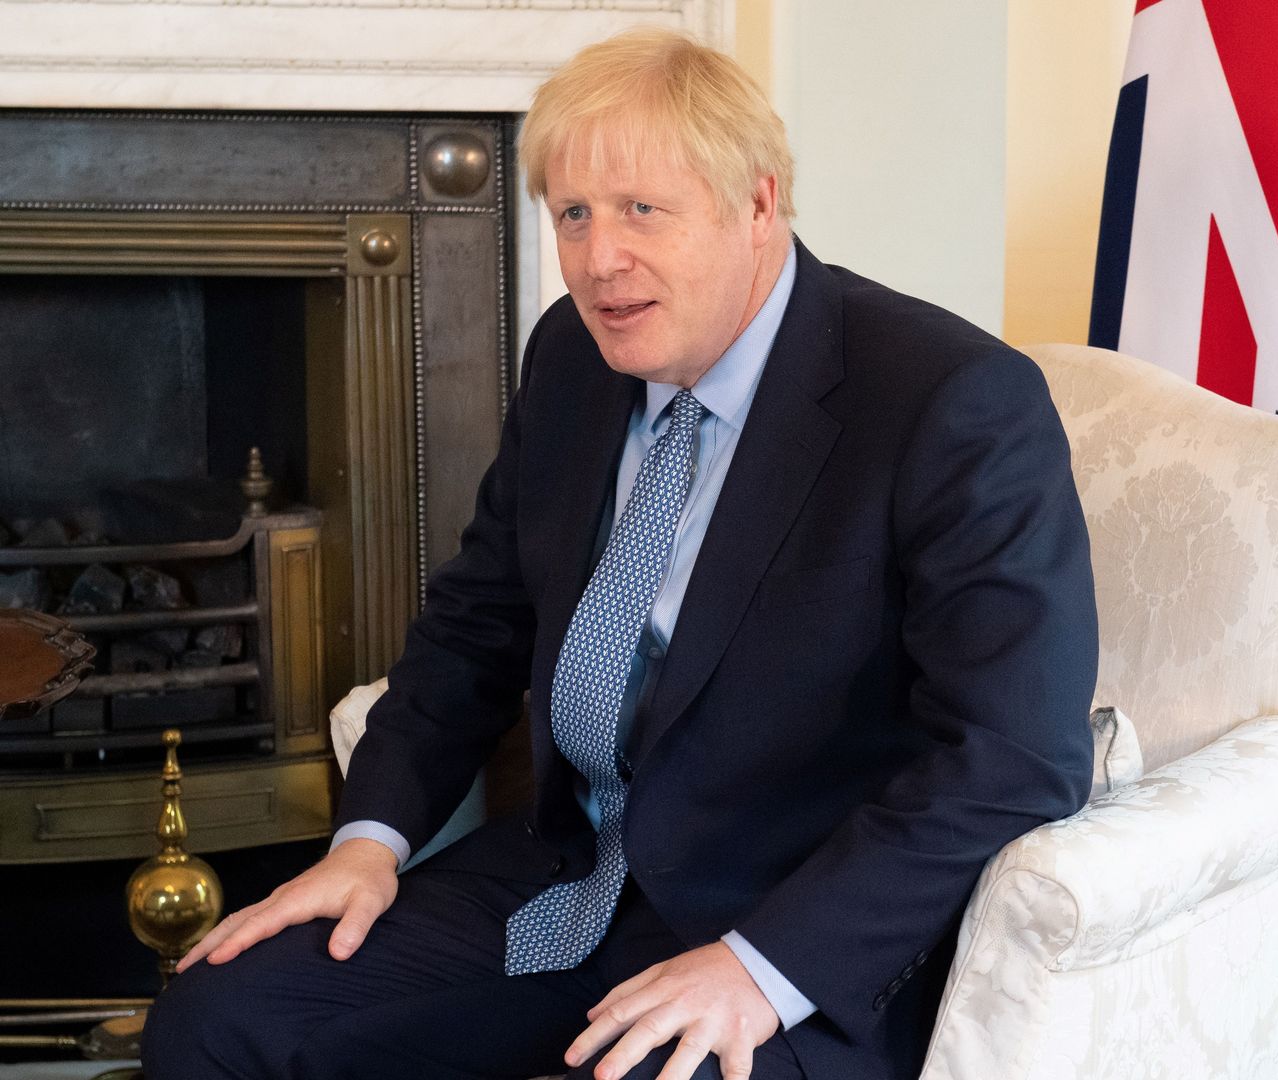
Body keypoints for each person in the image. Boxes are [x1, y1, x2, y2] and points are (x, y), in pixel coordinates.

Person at [142, 26, 1097, 1080]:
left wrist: (760, 968)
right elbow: (475, 627)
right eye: (575, 215)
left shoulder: (946, 401)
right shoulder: (574, 358)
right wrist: (370, 842)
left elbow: (1012, 754)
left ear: (760, 204)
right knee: (219, 1018)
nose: (602, 261)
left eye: (644, 210)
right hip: (569, 876)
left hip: (789, 920)